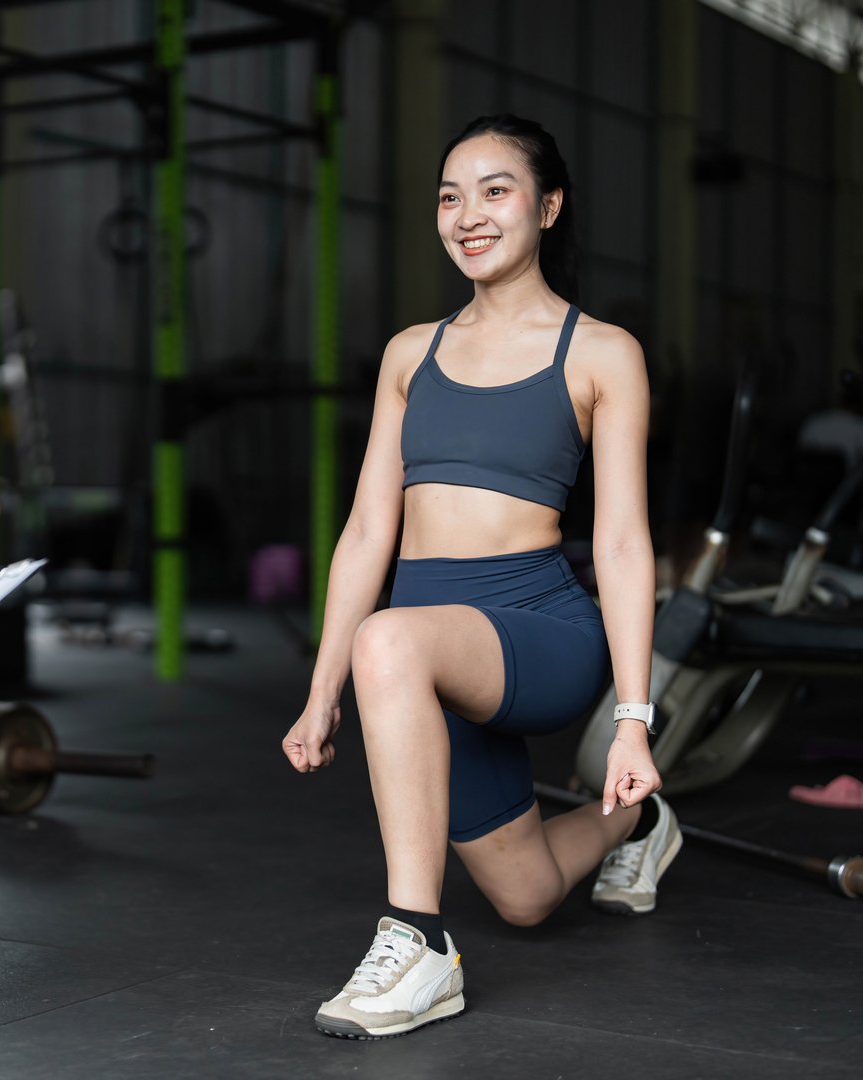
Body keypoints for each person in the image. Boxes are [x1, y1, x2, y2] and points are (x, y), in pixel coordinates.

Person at [282, 115, 682, 1041]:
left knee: (389, 639)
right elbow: (368, 529)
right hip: (424, 655)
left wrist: (633, 720)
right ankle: (641, 825)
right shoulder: (409, 354)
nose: (468, 215)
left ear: (548, 206)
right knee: (527, 894)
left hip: (537, 628)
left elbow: (623, 542)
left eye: (495, 191)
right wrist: (322, 689)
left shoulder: (602, 352)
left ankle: (418, 944)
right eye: (449, 197)